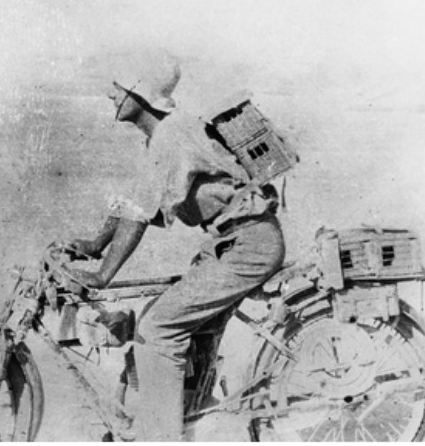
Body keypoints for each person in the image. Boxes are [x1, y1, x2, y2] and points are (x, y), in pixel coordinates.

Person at [64, 50, 285, 441]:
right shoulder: (163, 136)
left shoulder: (171, 134)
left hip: (248, 244)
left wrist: (102, 274)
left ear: (140, 92)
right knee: (160, 316)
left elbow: (139, 212)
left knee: (159, 329)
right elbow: (138, 198)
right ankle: (180, 418)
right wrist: (96, 242)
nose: (111, 97)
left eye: (118, 89)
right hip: (231, 244)